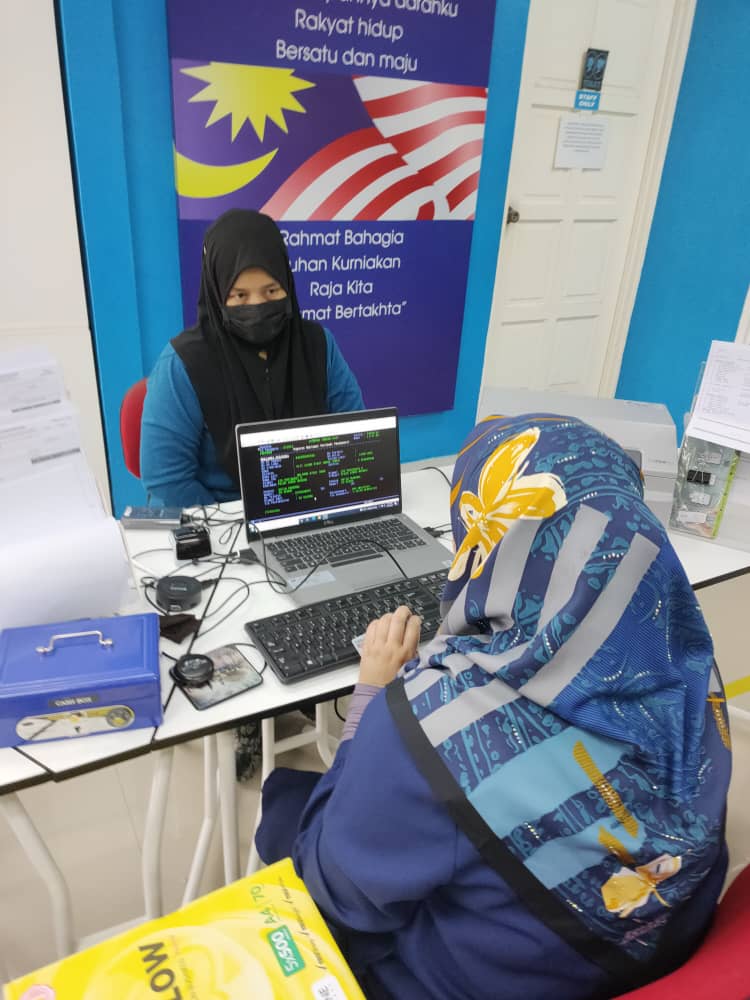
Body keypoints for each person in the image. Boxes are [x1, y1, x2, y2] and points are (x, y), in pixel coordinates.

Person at [256, 413, 732, 1000]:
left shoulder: (431, 728)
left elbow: (334, 897)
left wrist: (373, 695)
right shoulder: (688, 664)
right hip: (646, 950)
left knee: (284, 802)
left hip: (477, 980)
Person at [140, 209, 364, 506]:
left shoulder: (318, 344)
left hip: (310, 503)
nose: (258, 305)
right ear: (218, 294)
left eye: (271, 291)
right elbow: (166, 481)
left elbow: (356, 437)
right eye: (240, 296)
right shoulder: (183, 364)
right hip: (220, 515)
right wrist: (236, 521)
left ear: (287, 284)